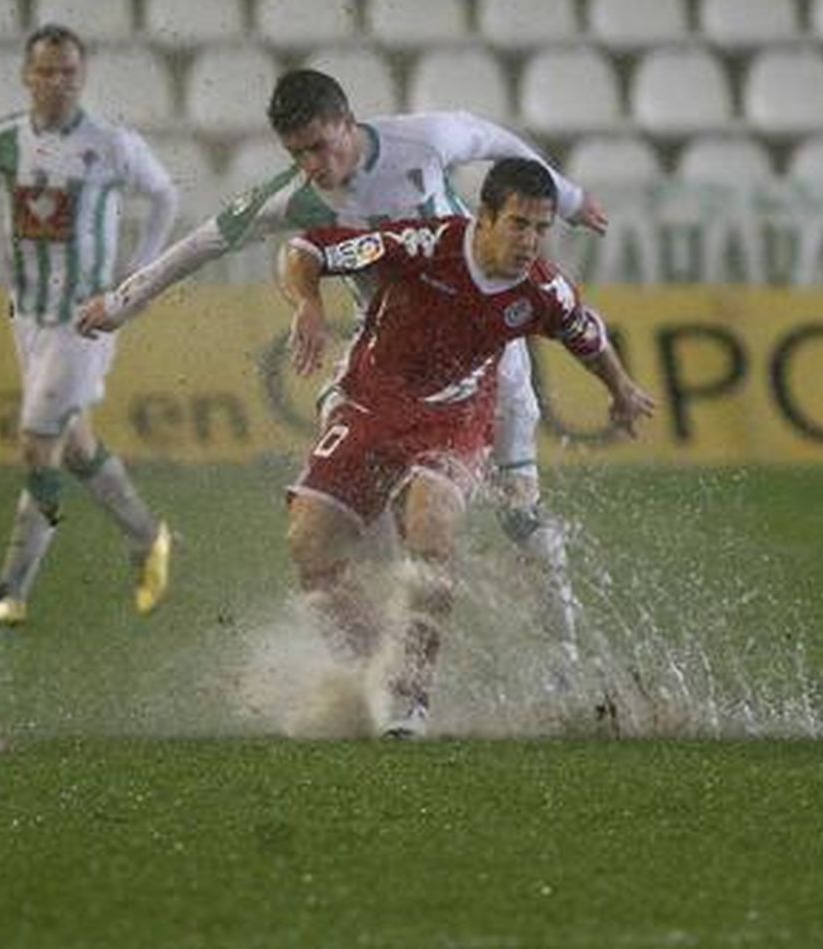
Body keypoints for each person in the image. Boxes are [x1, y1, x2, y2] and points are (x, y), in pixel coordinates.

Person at [77, 69, 608, 683]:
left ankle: (569, 666)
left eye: (320, 146)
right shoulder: (298, 197)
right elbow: (203, 242)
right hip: (393, 365)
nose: (311, 164)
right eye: (296, 153)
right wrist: (121, 304)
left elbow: (491, 138)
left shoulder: (423, 141)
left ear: (348, 123)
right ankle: (381, 665)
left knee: (520, 511)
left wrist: (567, 198)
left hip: (491, 353)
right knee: (352, 518)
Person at [278, 157, 655, 737]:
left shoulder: (542, 290)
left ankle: (409, 697)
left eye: (540, 228)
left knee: (432, 525)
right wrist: (308, 302)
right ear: (483, 217)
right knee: (308, 544)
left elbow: (586, 334)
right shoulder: (424, 245)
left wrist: (623, 389)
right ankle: (367, 664)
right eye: (518, 224)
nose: (529, 241)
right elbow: (308, 250)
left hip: (455, 418)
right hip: (370, 404)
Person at [0, 24, 179, 625]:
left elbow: (164, 196)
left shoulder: (110, 143)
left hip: (85, 317)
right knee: (75, 445)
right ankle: (148, 539)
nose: (58, 82)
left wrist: (139, 274)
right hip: (26, 314)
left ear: (83, 77)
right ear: (27, 76)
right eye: (47, 72)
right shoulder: (1, 141)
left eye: (69, 72)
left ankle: (12, 590)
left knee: (36, 444)